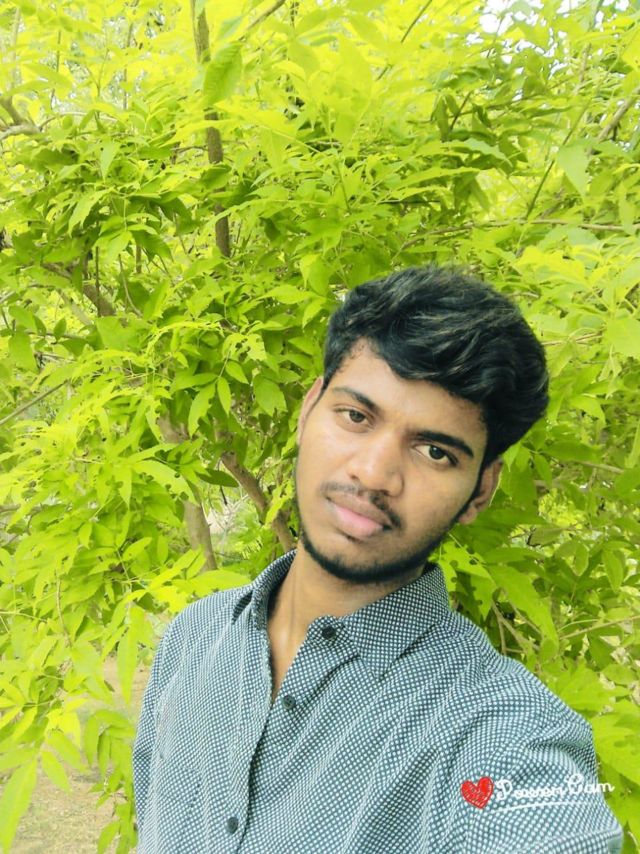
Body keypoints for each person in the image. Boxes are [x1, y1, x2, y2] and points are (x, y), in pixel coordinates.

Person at [133, 266, 623, 853]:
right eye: (356, 417)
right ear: (308, 410)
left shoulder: (505, 738)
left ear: (480, 492)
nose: (373, 474)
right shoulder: (195, 637)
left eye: (435, 451)